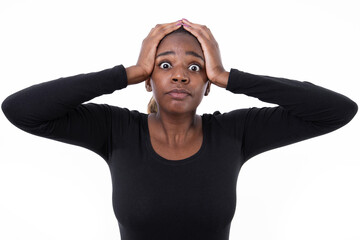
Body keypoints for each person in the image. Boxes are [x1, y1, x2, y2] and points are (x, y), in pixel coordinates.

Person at [1, 18, 357, 240]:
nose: (180, 74)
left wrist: (230, 77)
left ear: (206, 85)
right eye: (165, 64)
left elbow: (337, 111)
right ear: (148, 80)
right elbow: (21, 110)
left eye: (196, 67)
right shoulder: (115, 129)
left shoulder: (235, 132)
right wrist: (127, 71)